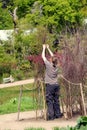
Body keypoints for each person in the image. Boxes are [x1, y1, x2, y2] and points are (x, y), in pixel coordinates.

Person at [42, 44, 63, 120]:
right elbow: (54, 57)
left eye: (50, 58)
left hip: (50, 86)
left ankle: (52, 116)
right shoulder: (57, 65)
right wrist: (48, 48)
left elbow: (43, 57)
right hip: (56, 85)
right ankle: (58, 114)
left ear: (51, 60)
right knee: (56, 100)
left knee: (49, 100)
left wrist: (44, 48)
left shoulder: (48, 65)